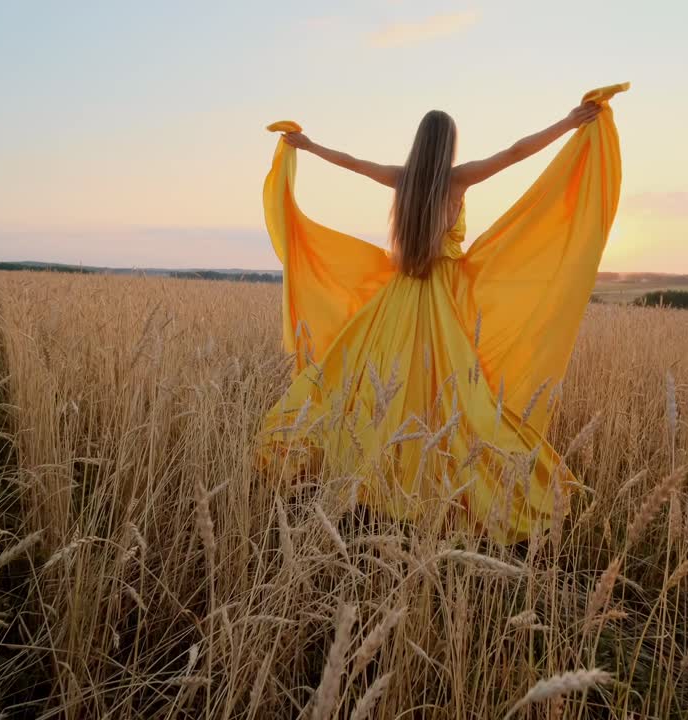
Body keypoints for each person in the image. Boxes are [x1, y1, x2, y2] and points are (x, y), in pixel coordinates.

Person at [258, 83, 628, 543]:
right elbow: (515, 153)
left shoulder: (402, 178)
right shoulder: (458, 178)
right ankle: (442, 485)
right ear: (450, 144)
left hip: (398, 297)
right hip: (445, 299)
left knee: (375, 380)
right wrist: (570, 123)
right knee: (451, 391)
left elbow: (351, 162)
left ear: (418, 142)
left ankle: (372, 474)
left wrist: (307, 146)